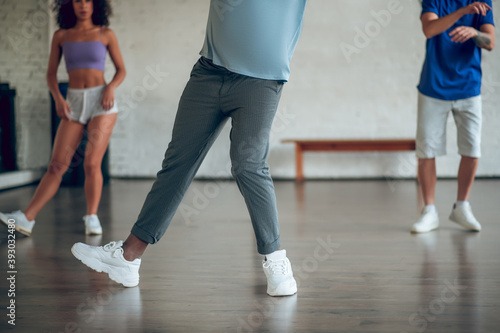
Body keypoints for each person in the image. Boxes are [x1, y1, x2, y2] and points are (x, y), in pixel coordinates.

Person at [71, 0, 308, 296]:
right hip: (208, 73)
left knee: (248, 164)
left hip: (261, 81)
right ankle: (128, 258)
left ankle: (276, 260)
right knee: (177, 163)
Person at [0, 0, 126, 236]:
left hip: (102, 101)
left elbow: (121, 70)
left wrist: (110, 88)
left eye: (88, 0)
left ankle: (91, 217)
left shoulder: (105, 33)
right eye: (77, 0)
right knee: (57, 165)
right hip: (73, 102)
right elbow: (50, 74)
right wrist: (58, 98)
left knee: (91, 163)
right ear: (69, 5)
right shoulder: (61, 35)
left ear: (95, 4)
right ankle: (27, 219)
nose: (83, 5)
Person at [411, 0, 495, 233]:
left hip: (469, 87)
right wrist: (462, 13)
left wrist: (474, 32)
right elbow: (429, 29)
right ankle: (429, 210)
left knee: (472, 149)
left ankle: (461, 206)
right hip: (433, 87)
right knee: (426, 150)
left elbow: (490, 42)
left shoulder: (482, 2)